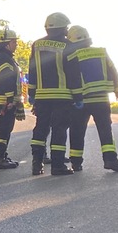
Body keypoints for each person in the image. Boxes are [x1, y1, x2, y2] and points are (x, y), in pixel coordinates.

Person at [62, 25, 118, 172]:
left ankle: (76, 162)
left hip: (80, 101)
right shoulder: (101, 52)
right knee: (105, 130)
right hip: (101, 99)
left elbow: (69, 78)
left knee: (77, 131)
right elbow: (114, 72)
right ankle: (111, 159)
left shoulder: (72, 55)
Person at [27, 12, 81, 176]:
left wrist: (32, 92)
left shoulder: (37, 45)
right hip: (62, 97)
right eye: (66, 27)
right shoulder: (68, 46)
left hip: (42, 96)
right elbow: (73, 74)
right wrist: (78, 96)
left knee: (40, 129)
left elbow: (32, 70)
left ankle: (37, 164)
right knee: (59, 130)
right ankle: (58, 166)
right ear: (62, 27)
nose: (67, 30)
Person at [0, 28, 23, 168]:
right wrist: (10, 100)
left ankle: (2, 156)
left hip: (3, 99)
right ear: (7, 43)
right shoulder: (4, 58)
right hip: (4, 100)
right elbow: (6, 79)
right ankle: (0, 158)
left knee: (5, 128)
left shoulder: (2, 56)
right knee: (4, 128)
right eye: (14, 41)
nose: (16, 44)